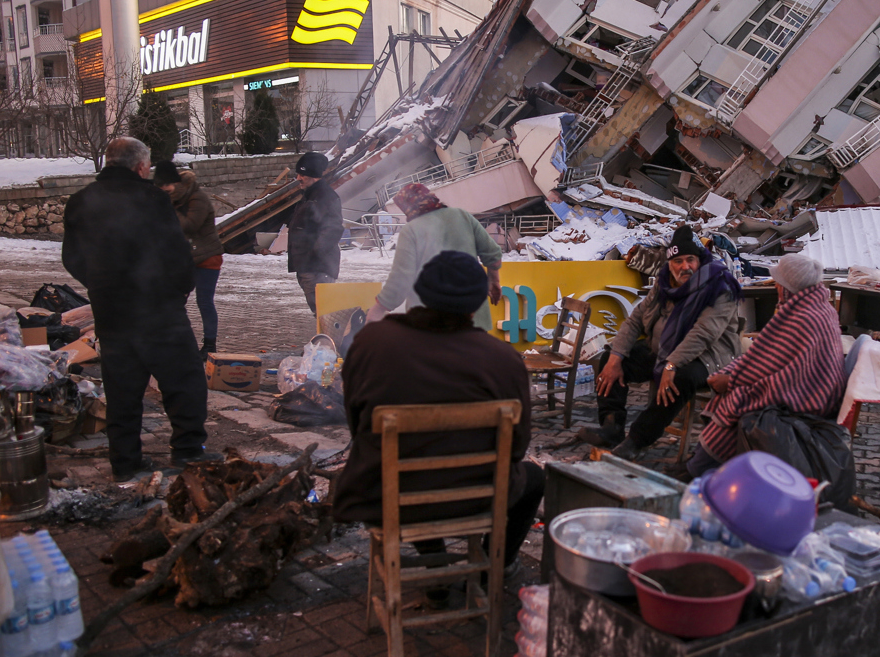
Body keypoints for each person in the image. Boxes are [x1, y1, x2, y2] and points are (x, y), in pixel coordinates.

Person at [332, 250, 543, 577]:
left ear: (421, 293)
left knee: (405, 470)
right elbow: (516, 448)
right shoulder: (503, 359)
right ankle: (493, 567)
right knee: (535, 478)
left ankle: (434, 567)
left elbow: (357, 423)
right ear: (477, 303)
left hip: (384, 496)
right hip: (477, 499)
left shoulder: (372, 342)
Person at [61, 137, 216, 483]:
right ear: (141, 166)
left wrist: (99, 284)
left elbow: (71, 257)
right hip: (158, 308)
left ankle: (126, 462)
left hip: (111, 311)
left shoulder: (81, 200)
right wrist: (178, 291)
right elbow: (176, 252)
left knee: (122, 388)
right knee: (184, 380)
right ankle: (188, 450)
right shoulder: (153, 200)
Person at [580, 225, 741, 460]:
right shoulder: (665, 281)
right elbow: (636, 319)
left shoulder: (719, 285)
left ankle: (637, 439)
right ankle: (611, 426)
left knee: (679, 378)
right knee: (611, 358)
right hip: (664, 348)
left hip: (708, 357)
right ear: (670, 262)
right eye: (678, 261)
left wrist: (671, 364)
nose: (684, 267)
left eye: (690, 260)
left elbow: (704, 333)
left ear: (699, 260)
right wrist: (616, 356)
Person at [685, 254, 846, 478]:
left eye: (779, 283)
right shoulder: (817, 307)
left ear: (789, 287)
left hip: (807, 397)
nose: (776, 287)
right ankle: (702, 466)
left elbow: (786, 373)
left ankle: (699, 469)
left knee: (737, 399)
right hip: (811, 389)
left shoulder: (803, 317)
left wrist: (731, 380)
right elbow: (768, 358)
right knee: (734, 393)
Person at [365, 183, 503, 328]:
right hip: (473, 318)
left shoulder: (411, 230)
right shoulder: (461, 215)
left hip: (432, 323)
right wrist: (494, 280)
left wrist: (377, 310)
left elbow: (401, 278)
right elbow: (492, 252)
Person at [154, 161, 223, 355]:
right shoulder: (175, 200)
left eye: (165, 187)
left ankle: (209, 345)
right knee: (175, 300)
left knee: (204, 301)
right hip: (185, 258)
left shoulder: (197, 198)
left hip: (207, 257)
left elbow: (190, 225)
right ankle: (172, 341)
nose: (163, 190)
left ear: (175, 184)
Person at [288, 152, 343, 315]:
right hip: (308, 266)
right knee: (321, 314)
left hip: (317, 268)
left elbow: (333, 228)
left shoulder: (325, 197)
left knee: (326, 314)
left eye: (302, 174)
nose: (298, 178)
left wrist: (314, 253)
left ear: (313, 175)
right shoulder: (310, 196)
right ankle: (328, 340)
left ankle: (334, 340)